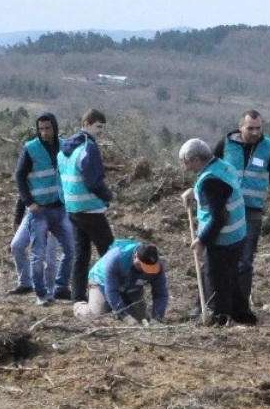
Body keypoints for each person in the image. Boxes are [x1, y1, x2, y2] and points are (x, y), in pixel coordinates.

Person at [212, 110, 270, 302]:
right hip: (225, 209)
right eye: (250, 128)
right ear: (240, 126)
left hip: (251, 211)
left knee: (245, 261)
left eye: (258, 128)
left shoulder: (268, 147)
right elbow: (209, 170)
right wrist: (196, 192)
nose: (255, 132)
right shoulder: (224, 145)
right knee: (216, 258)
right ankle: (209, 303)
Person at [179, 138, 255, 326]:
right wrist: (194, 193)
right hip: (238, 234)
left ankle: (219, 318)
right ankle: (242, 314)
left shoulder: (209, 181)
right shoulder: (222, 166)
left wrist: (202, 239)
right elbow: (221, 194)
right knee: (231, 276)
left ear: (197, 159)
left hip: (223, 238)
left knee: (216, 279)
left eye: (186, 162)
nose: (185, 167)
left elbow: (220, 216)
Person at [10, 112, 74, 305]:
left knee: (71, 250)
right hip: (39, 211)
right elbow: (20, 177)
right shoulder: (30, 149)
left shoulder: (65, 146)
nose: (44, 132)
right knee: (38, 254)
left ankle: (61, 287)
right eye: (41, 129)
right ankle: (40, 293)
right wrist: (28, 203)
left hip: (61, 208)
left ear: (55, 128)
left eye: (48, 128)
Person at [59, 108, 115, 298]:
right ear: (86, 124)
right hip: (90, 209)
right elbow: (93, 181)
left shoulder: (66, 149)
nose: (100, 131)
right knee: (110, 254)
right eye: (98, 126)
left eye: (102, 127)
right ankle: (113, 297)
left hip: (72, 209)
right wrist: (108, 196)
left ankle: (78, 298)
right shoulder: (88, 147)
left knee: (81, 255)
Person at [73, 239, 169, 325]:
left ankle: (116, 311)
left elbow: (161, 293)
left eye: (149, 269)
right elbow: (111, 291)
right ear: (135, 257)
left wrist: (157, 317)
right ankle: (79, 307)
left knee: (141, 319)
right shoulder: (116, 258)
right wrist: (125, 316)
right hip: (101, 283)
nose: (146, 271)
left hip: (131, 288)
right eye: (143, 266)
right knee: (97, 316)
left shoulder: (157, 266)